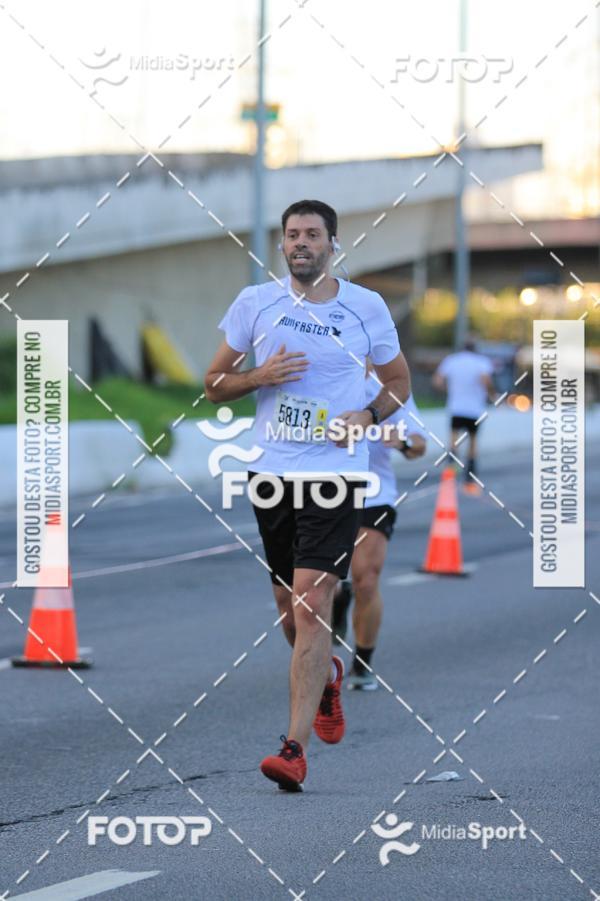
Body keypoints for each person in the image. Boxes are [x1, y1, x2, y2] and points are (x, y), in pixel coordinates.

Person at [204, 199, 411, 791]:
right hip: (271, 475)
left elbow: (398, 382)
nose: (301, 243)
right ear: (282, 245)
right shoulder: (255, 303)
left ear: (332, 244)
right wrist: (257, 378)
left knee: (311, 602)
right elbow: (213, 384)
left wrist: (367, 415)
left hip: (335, 476)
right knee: (287, 608)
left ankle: (293, 750)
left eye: (312, 234)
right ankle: (327, 676)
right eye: (292, 234)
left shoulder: (365, 307)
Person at [332, 370, 427, 689]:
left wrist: (401, 441)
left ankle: (362, 663)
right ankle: (337, 599)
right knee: (321, 580)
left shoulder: (390, 388)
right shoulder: (324, 375)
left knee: (366, 578)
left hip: (374, 493)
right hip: (324, 492)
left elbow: (419, 445)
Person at [432, 337, 495, 494]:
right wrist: (491, 395)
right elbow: (485, 380)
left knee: (453, 439)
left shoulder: (452, 361)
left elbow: (437, 381)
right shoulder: (481, 362)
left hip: (456, 407)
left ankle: (451, 470)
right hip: (474, 409)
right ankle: (469, 476)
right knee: (473, 443)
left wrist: (449, 390)